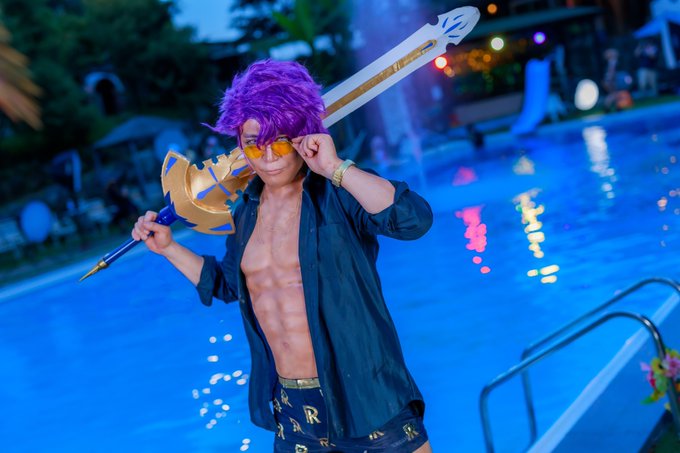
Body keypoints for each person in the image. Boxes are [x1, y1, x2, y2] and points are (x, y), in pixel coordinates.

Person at [132, 60, 434, 452]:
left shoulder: (338, 194)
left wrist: (335, 167)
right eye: (255, 144)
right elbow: (228, 285)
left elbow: (412, 220)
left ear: (301, 135)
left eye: (279, 141)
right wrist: (168, 247)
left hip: (366, 395)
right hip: (293, 411)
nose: (269, 157)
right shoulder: (245, 213)